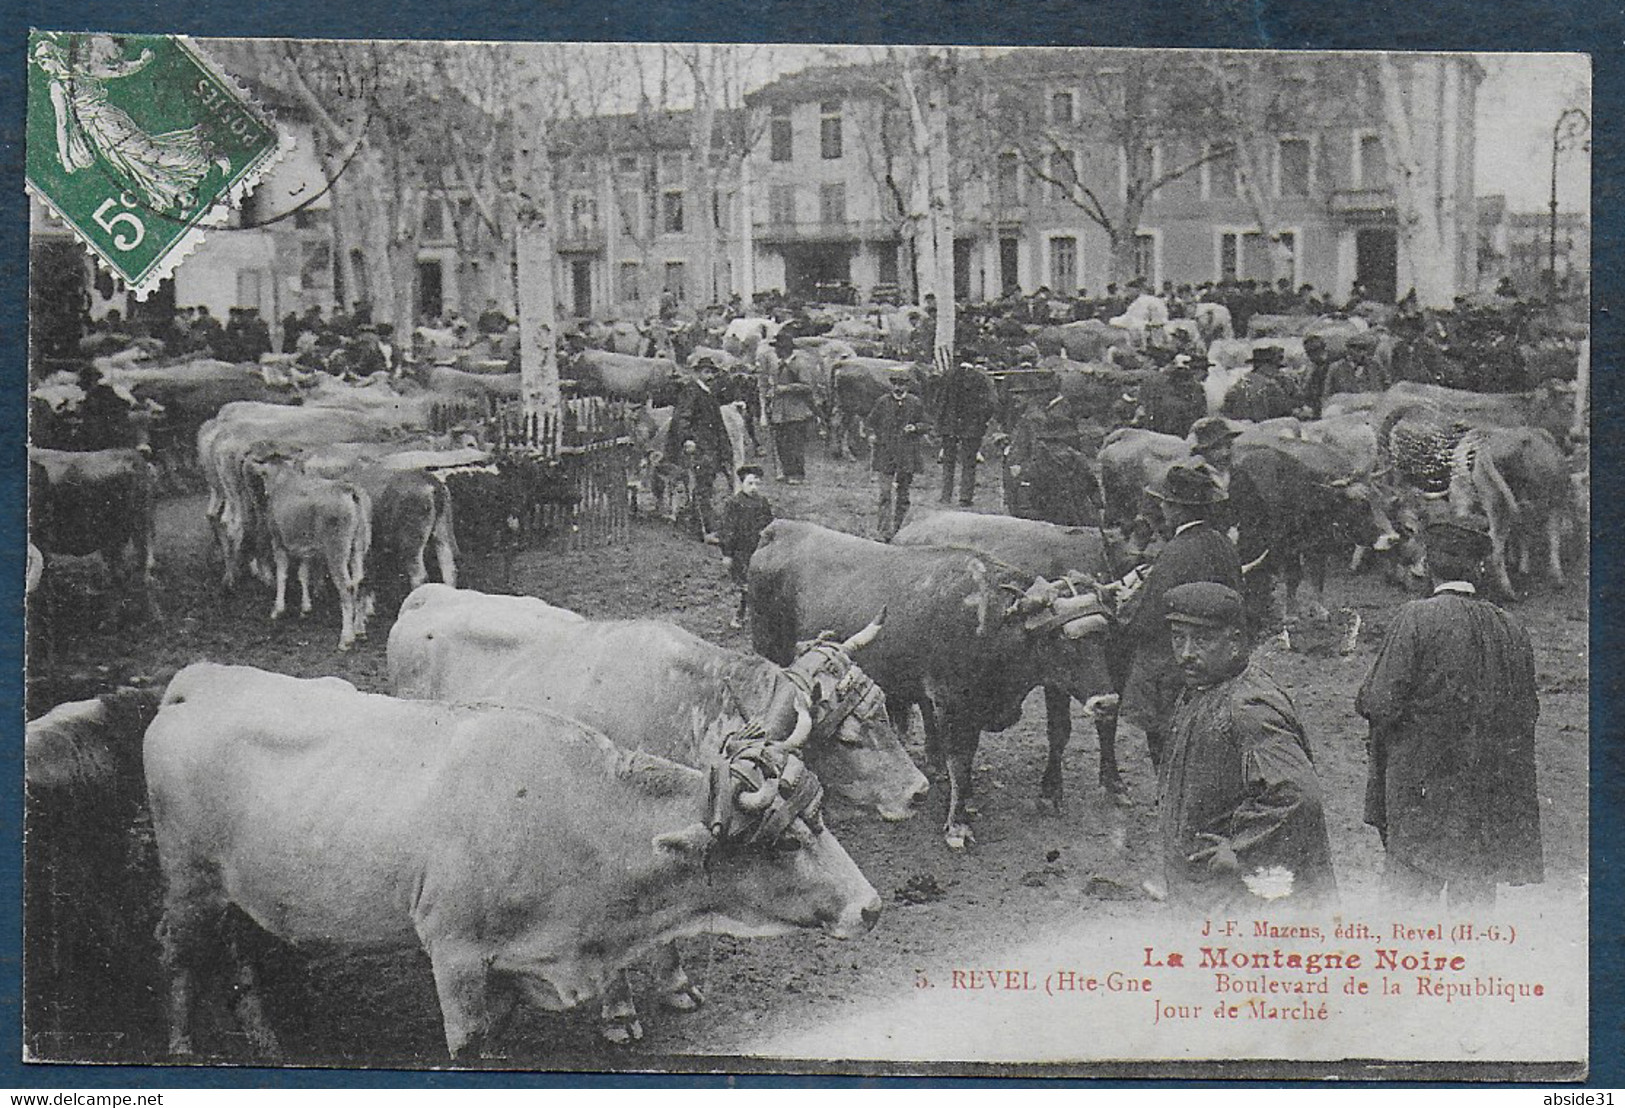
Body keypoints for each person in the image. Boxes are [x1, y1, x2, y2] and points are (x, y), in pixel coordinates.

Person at [1355, 518, 1543, 908]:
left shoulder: (1416, 617)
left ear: (1428, 564)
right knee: (1474, 916)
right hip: (1486, 795)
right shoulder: (1512, 627)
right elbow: (1528, 712)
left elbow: (1380, 702)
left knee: (1406, 912)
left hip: (1422, 793)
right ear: (1479, 568)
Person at [1156, 581, 1337, 914]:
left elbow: (1298, 794)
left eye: (1203, 639)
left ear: (1235, 641)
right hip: (1210, 892)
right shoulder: (1208, 687)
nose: (1185, 653)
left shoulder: (1247, 707)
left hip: (1244, 903)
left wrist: (1241, 851)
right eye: (1178, 638)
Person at [1120, 463, 1244, 769]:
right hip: (1220, 660)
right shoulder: (1223, 543)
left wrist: (1124, 613)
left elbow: (1148, 618)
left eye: (1165, 503)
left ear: (1177, 509)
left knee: (1168, 748)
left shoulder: (1176, 550)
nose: (1161, 508)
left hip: (1176, 666)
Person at [667, 364, 734, 543]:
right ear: (697, 373)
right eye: (706, 372)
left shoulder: (708, 393)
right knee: (702, 486)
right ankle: (706, 530)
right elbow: (683, 417)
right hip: (700, 447)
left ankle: (704, 525)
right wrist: (687, 439)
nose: (710, 376)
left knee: (708, 485)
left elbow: (717, 423)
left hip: (712, 446)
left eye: (712, 372)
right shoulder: (691, 391)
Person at [865, 369, 930, 541]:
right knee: (885, 494)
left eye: (902, 384)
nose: (898, 387)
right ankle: (883, 531)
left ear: (907, 386)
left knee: (903, 495)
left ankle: (900, 530)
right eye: (895, 384)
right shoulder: (882, 402)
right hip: (885, 453)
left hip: (906, 454)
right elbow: (870, 422)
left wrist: (915, 428)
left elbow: (926, 424)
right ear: (891, 385)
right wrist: (871, 434)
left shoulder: (915, 403)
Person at [719, 464, 775, 630]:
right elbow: (727, 530)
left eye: (757, 483)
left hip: (759, 549)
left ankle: (758, 616)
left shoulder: (762, 502)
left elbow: (769, 524)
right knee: (745, 586)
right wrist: (727, 554)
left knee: (760, 583)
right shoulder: (734, 503)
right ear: (742, 484)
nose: (754, 488)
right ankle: (741, 614)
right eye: (750, 483)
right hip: (741, 552)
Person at [934, 361, 997, 506]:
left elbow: (938, 400)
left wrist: (940, 422)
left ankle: (946, 495)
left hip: (949, 425)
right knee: (969, 463)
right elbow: (990, 403)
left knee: (948, 462)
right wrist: (982, 421)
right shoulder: (981, 378)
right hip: (972, 427)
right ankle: (965, 497)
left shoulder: (947, 375)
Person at [764, 331, 816, 484]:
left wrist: (786, 388)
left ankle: (797, 474)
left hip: (795, 412)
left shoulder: (799, 364)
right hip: (779, 412)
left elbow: (807, 386)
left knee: (795, 444)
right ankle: (787, 472)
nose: (775, 350)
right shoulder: (777, 366)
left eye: (777, 348)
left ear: (784, 349)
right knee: (782, 444)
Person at [1221, 345, 1296, 422]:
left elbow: (1225, 410)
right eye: (1275, 367)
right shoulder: (1271, 386)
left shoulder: (1240, 383)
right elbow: (1285, 411)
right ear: (1265, 365)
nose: (1278, 372)